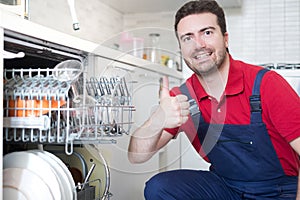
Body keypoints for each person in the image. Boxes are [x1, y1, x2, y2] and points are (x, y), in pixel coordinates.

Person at [128, 0, 300, 199]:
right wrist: (158, 119)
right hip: (225, 187)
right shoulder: (183, 97)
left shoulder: (266, 84)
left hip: (278, 191)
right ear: (181, 48)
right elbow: (135, 156)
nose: (198, 45)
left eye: (207, 33)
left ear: (225, 38)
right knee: (160, 187)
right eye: (187, 38)